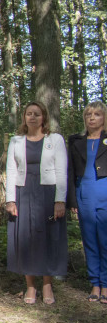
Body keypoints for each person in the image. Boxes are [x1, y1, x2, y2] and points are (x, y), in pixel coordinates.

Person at [5, 102, 67, 305]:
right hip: (23, 192)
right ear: (24, 117)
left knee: (48, 237)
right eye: (29, 114)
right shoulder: (16, 140)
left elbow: (61, 171)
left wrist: (60, 200)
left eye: (37, 114)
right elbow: (11, 171)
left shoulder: (55, 140)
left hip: (47, 193)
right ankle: (30, 286)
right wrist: (10, 200)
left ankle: (47, 284)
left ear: (44, 118)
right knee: (25, 237)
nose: (32, 117)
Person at [67, 101, 107, 304]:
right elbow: (71, 172)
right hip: (84, 195)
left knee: (105, 241)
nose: (92, 117)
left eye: (97, 114)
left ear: (104, 118)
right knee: (90, 241)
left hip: (105, 194)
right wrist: (72, 200)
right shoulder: (76, 141)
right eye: (89, 114)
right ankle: (95, 284)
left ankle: (106, 284)